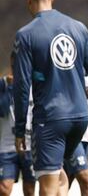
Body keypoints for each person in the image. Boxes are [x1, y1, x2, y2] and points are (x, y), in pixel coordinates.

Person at [12, 0, 88, 196]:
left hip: (50, 119)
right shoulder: (79, 27)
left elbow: (21, 86)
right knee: (59, 176)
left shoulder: (26, 35)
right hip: (80, 119)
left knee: (47, 187)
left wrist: (19, 130)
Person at [0, 65, 35, 196]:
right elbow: (2, 111)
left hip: (29, 146)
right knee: (4, 188)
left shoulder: (37, 85)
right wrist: (9, 88)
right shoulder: (4, 85)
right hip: (7, 147)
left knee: (29, 188)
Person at [63, 76, 88, 196]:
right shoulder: (67, 64)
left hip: (86, 135)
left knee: (66, 181)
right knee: (86, 179)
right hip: (71, 133)